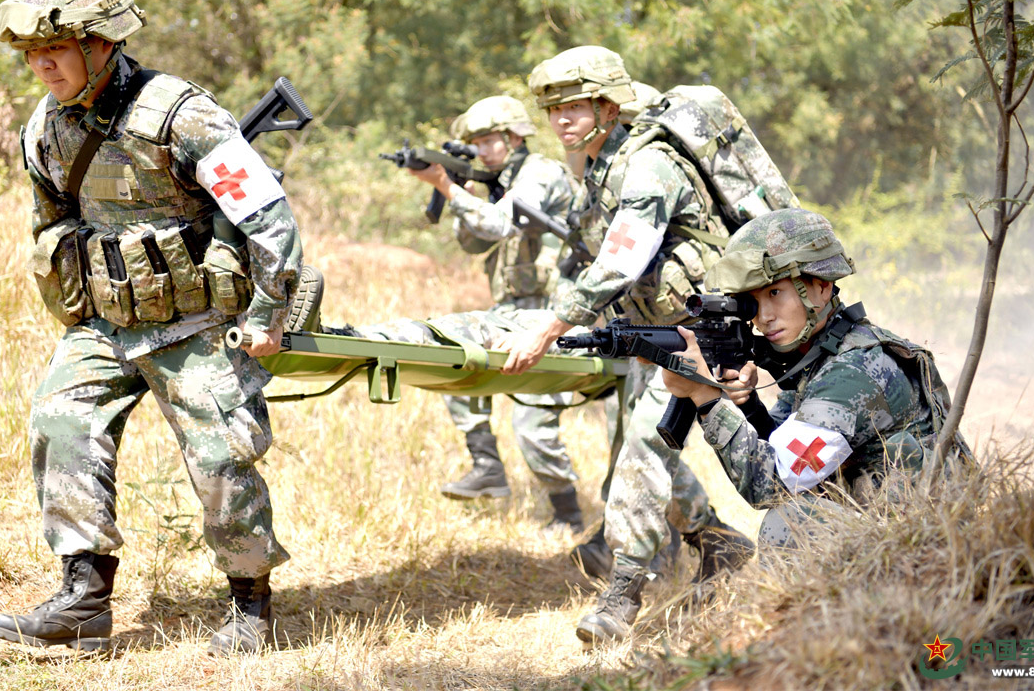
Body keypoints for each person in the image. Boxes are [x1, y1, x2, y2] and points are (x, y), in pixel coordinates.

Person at [0, 0, 302, 656]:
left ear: (101, 41)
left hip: (196, 322)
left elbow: (267, 216)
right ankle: (83, 601)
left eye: (54, 48)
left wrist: (267, 315)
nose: (41, 65)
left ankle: (250, 605)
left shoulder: (182, 114)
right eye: (31, 53)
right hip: (108, 323)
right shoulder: (45, 127)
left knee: (220, 456)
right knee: (61, 422)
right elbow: (53, 223)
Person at [500, 45, 754, 643]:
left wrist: (550, 326)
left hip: (698, 335)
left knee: (642, 451)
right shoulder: (597, 170)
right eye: (553, 109)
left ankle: (621, 599)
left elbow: (621, 258)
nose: (561, 118)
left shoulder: (648, 164)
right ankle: (719, 544)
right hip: (651, 335)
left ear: (608, 107)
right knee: (649, 451)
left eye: (575, 106)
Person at [659, 208, 972, 545]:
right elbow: (783, 446)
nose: (764, 317)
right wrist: (749, 405)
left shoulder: (852, 371)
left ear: (822, 286)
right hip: (894, 531)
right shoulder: (820, 356)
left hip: (927, 544)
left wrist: (705, 398)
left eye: (774, 293)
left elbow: (773, 484)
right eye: (751, 302)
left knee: (788, 524)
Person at [400, 96, 586, 531]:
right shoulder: (501, 184)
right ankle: (487, 466)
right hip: (510, 310)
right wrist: (462, 196)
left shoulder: (539, 172)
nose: (481, 151)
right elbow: (474, 242)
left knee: (532, 426)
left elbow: (500, 224)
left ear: (514, 137)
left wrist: (447, 188)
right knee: (451, 349)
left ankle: (568, 512)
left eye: (487, 141)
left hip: (554, 314)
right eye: (475, 144)